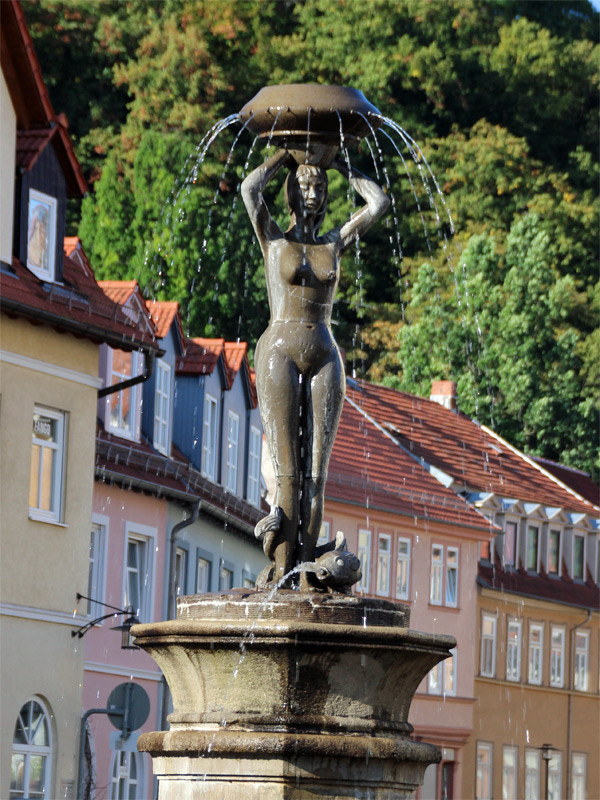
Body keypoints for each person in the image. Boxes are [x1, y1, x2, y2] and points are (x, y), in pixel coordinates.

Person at [241, 148, 389, 590]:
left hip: (324, 351)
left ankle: (308, 572)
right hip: (279, 349)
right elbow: (250, 189)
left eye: (319, 187)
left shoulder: (333, 242)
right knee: (288, 473)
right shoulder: (273, 238)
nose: (312, 193)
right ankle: (283, 571)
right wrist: (283, 155)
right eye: (304, 185)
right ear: (291, 190)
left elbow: (379, 204)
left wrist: (342, 166)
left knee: (316, 476)